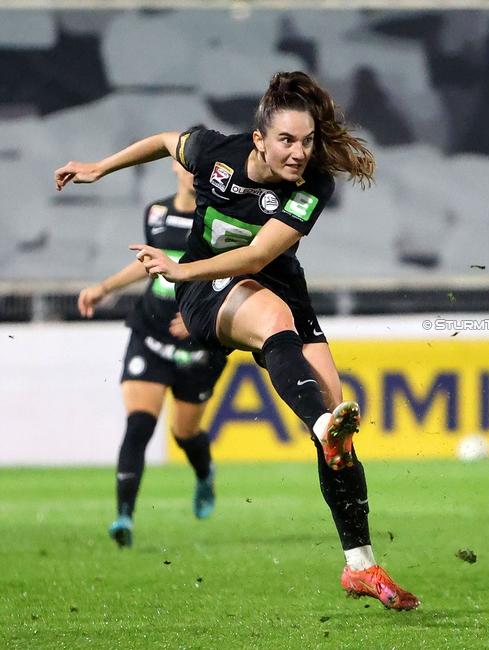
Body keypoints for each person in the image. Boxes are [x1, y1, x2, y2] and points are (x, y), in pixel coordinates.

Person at [56, 71, 419, 611]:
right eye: (287, 141)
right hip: (206, 292)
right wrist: (99, 169)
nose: (299, 153)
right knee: (295, 360)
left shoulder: (313, 186)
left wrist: (179, 269)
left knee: (338, 440)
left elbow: (257, 257)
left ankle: (360, 566)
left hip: (276, 289)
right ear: (259, 140)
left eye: (308, 141)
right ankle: (322, 425)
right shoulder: (214, 152)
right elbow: (163, 142)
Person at [78, 149, 227, 548]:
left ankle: (203, 473)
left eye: (203, 169)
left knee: (184, 432)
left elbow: (239, 272)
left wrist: (203, 319)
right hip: (150, 332)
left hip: (200, 344)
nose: (192, 173)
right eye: (187, 164)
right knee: (140, 425)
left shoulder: (222, 218)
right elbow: (147, 261)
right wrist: (104, 287)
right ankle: (123, 516)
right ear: (176, 166)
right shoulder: (157, 212)